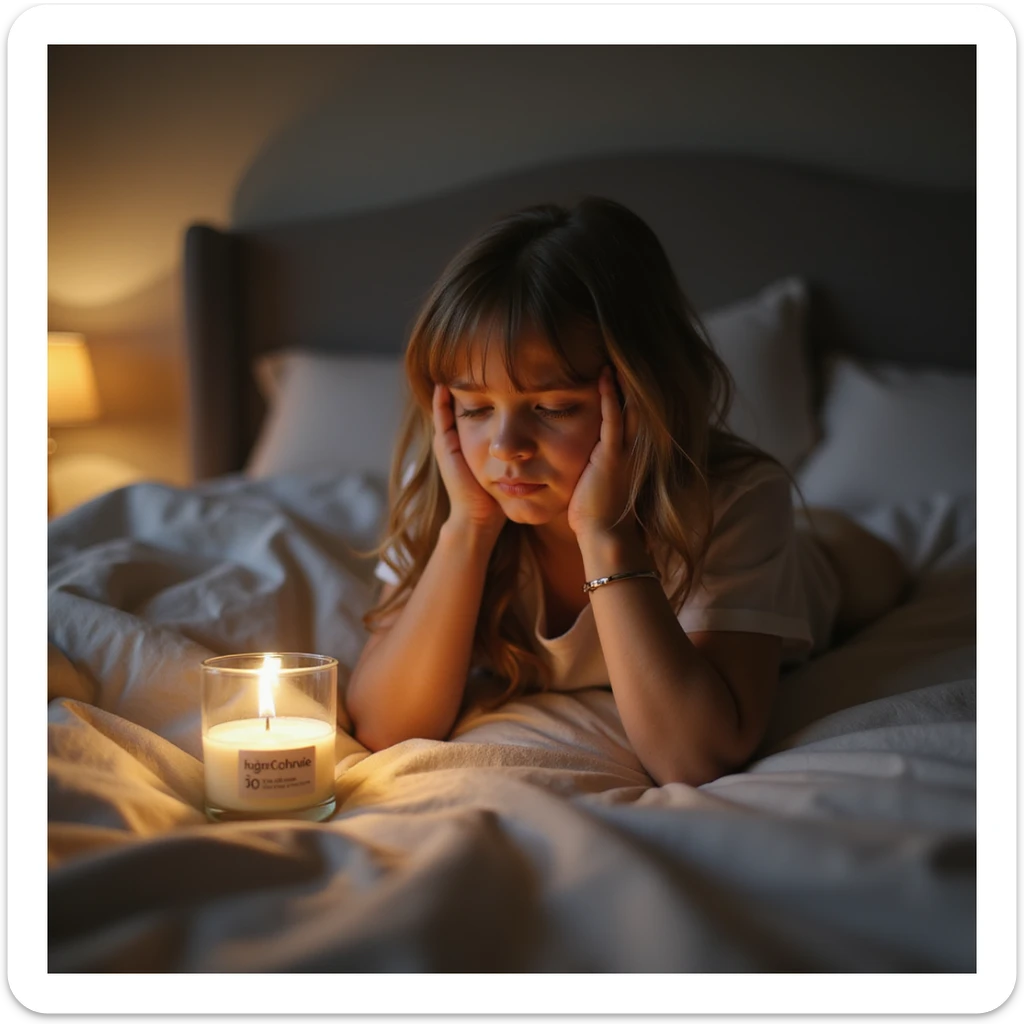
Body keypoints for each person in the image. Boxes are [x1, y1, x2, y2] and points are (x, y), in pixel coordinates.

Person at [345, 197, 907, 785]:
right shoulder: (451, 486)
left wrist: (604, 533)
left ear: (643, 397)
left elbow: (695, 758)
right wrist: (468, 529)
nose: (504, 446)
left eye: (554, 407)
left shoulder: (735, 499)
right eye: (475, 407)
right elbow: (384, 728)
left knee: (871, 571)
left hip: (831, 569)